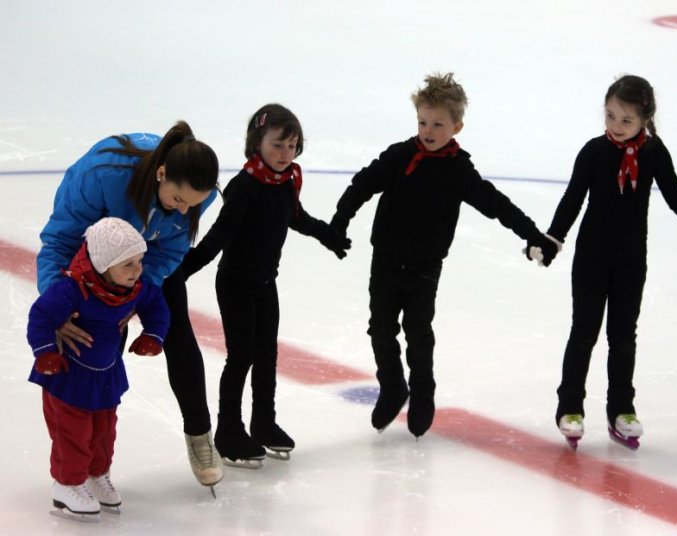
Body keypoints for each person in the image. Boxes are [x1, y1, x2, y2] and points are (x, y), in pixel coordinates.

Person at [328, 72, 558, 438]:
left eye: (437, 124)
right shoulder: (400, 155)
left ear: (456, 126)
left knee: (417, 331)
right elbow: (362, 184)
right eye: (423, 122)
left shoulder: (458, 170)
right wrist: (339, 223)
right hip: (386, 257)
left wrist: (532, 234)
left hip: (425, 265)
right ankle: (392, 385)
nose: (428, 131)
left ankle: (422, 391)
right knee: (381, 328)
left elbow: (496, 205)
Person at [36, 121, 225, 486]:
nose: (184, 211)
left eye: (193, 205)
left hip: (149, 257)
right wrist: (56, 305)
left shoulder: (197, 194)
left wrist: (137, 296)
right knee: (96, 347)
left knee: (175, 329)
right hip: (96, 254)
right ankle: (86, 464)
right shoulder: (103, 175)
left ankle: (200, 436)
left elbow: (171, 249)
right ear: (161, 173)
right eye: (178, 200)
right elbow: (60, 241)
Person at [179, 104, 351, 467]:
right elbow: (217, 238)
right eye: (277, 145)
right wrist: (181, 271)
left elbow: (295, 217)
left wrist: (327, 235)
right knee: (241, 356)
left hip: (265, 283)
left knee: (267, 356)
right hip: (236, 285)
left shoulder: (284, 181)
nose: (286, 153)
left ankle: (263, 422)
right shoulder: (244, 187)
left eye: (292, 146)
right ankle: (228, 431)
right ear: (257, 142)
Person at [543, 75, 677, 450]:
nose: (615, 125)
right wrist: (553, 238)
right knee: (583, 332)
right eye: (610, 115)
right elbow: (572, 198)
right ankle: (570, 406)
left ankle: (622, 408)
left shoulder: (654, 153)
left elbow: (674, 195)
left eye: (626, 120)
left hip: (632, 259)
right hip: (591, 257)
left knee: (622, 336)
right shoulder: (593, 151)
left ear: (645, 119)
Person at [28, 218, 170, 521]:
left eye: (139, 261)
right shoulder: (72, 289)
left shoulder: (134, 289)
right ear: (104, 264)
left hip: (105, 373)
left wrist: (153, 335)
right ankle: (66, 485)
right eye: (128, 264)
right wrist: (46, 353)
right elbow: (41, 315)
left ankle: (96, 475)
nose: (137, 270)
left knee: (104, 432)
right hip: (69, 377)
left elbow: (156, 305)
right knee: (73, 434)